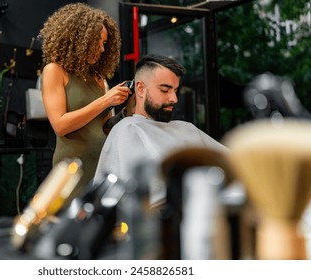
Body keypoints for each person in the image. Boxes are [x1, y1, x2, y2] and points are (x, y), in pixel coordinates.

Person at [93, 54, 228, 202]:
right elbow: (137, 199)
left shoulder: (186, 127)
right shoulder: (128, 129)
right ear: (141, 89)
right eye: (165, 90)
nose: (174, 99)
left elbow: (235, 162)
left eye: (175, 91)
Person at [38, 3, 135, 200]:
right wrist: (106, 100)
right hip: (72, 168)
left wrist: (125, 113)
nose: (101, 49)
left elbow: (105, 127)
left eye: (105, 43)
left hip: (102, 163)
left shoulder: (99, 78)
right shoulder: (54, 71)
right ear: (79, 39)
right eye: (96, 42)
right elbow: (60, 125)